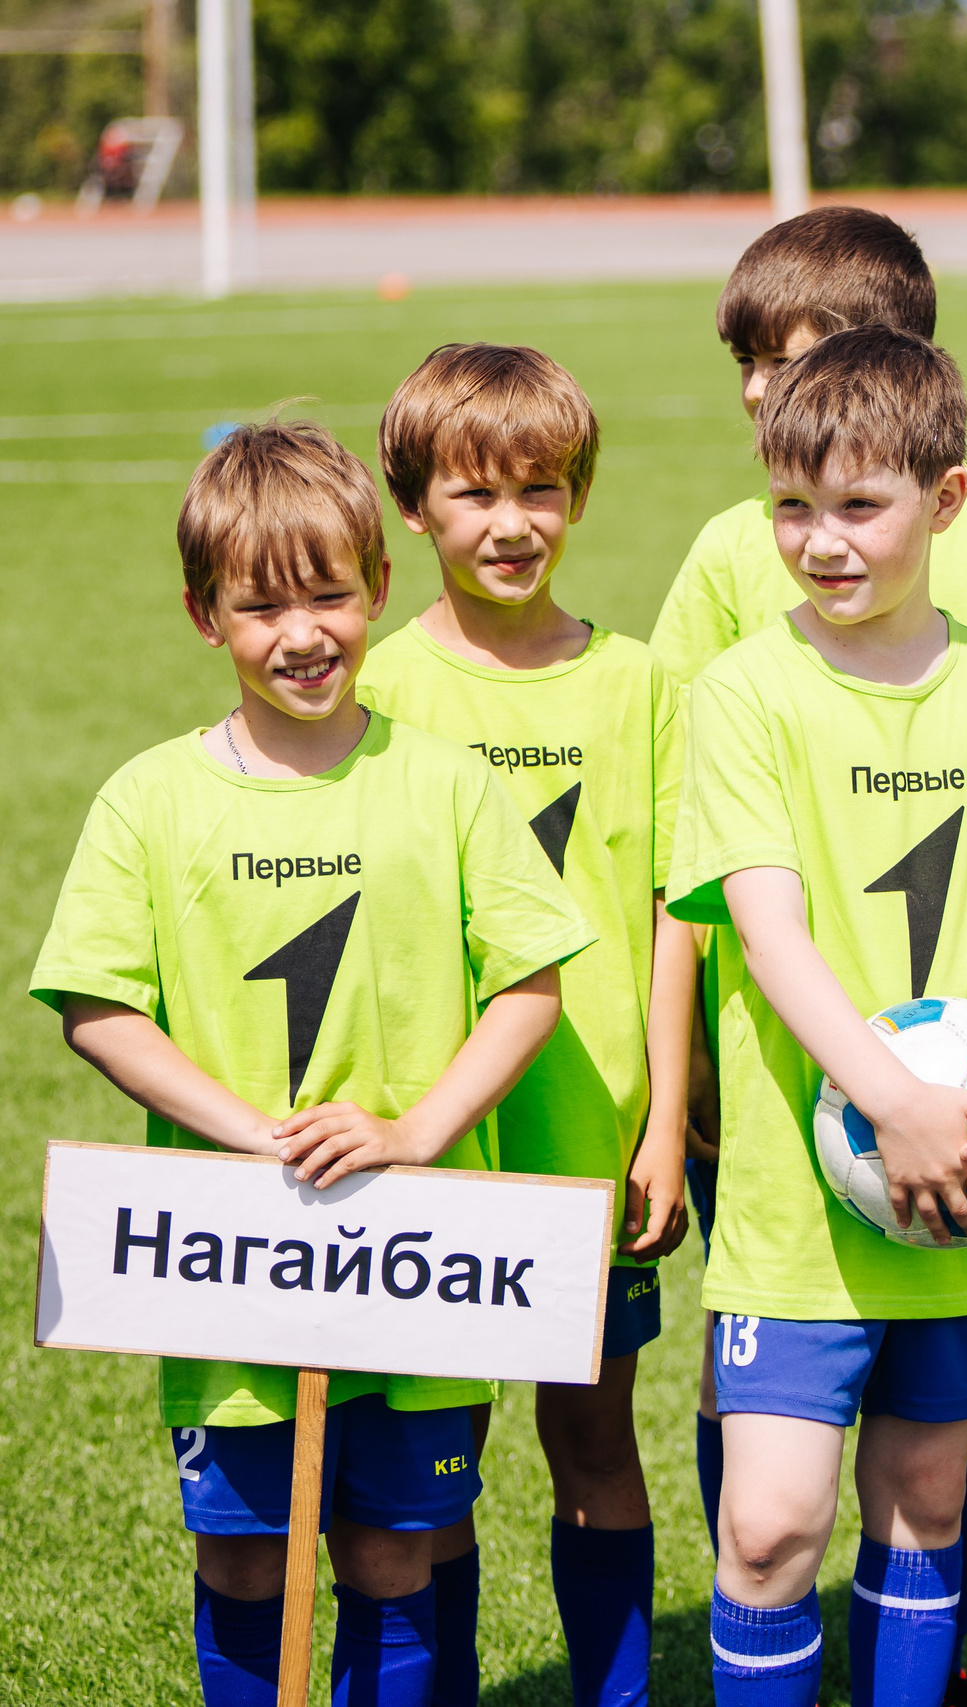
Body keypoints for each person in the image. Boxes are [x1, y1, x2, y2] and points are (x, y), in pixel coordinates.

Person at [28, 420, 591, 1707]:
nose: (302, 633)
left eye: (329, 594)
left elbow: (530, 984)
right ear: (201, 615)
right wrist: (242, 1132)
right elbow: (99, 1007)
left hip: (415, 1248)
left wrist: (412, 1130)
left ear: (376, 589)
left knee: (395, 1550)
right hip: (233, 1250)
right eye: (258, 606)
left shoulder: (443, 785)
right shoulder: (149, 798)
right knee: (243, 1557)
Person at [649, 206, 967, 1706]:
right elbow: (768, 922)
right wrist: (888, 1092)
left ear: (948, 497)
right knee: (771, 1516)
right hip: (809, 1191)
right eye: (793, 507)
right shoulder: (744, 689)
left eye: (860, 504)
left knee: (925, 1500)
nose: (822, 540)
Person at [361, 342, 695, 1707]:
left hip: (588, 1137)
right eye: (475, 493)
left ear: (580, 492)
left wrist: (666, 1116)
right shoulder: (376, 687)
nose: (513, 524)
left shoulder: (640, 684)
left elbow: (680, 908)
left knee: (595, 1440)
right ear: (414, 507)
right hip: (430, 1141)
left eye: (543, 489)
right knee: (432, 1455)